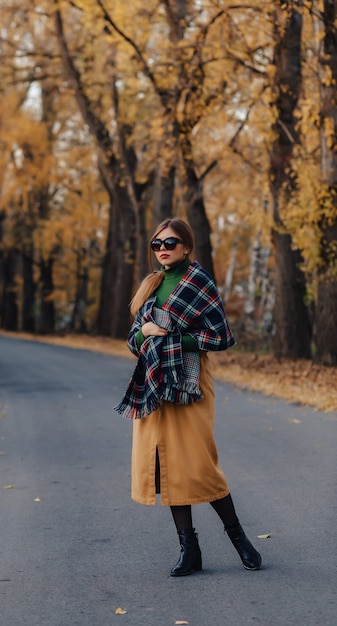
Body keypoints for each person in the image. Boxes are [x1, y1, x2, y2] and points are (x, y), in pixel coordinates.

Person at [115, 217, 262, 576]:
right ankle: (189, 550)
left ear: (186, 246)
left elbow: (221, 337)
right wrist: (145, 334)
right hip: (153, 382)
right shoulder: (149, 285)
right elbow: (134, 340)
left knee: (198, 463)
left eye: (170, 243)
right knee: (166, 465)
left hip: (189, 383)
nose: (163, 249)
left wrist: (171, 338)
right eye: (157, 244)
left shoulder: (198, 281)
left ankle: (239, 539)